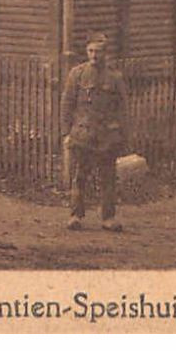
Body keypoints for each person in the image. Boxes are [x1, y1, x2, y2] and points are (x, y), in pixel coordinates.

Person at [61, 32, 129, 232]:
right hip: (83, 133)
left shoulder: (115, 77)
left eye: (98, 52)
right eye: (90, 51)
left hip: (107, 136)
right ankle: (75, 215)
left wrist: (122, 134)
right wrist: (67, 132)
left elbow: (122, 108)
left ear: (105, 53)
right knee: (80, 175)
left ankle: (108, 218)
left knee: (107, 177)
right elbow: (67, 104)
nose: (94, 56)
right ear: (86, 51)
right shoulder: (77, 74)